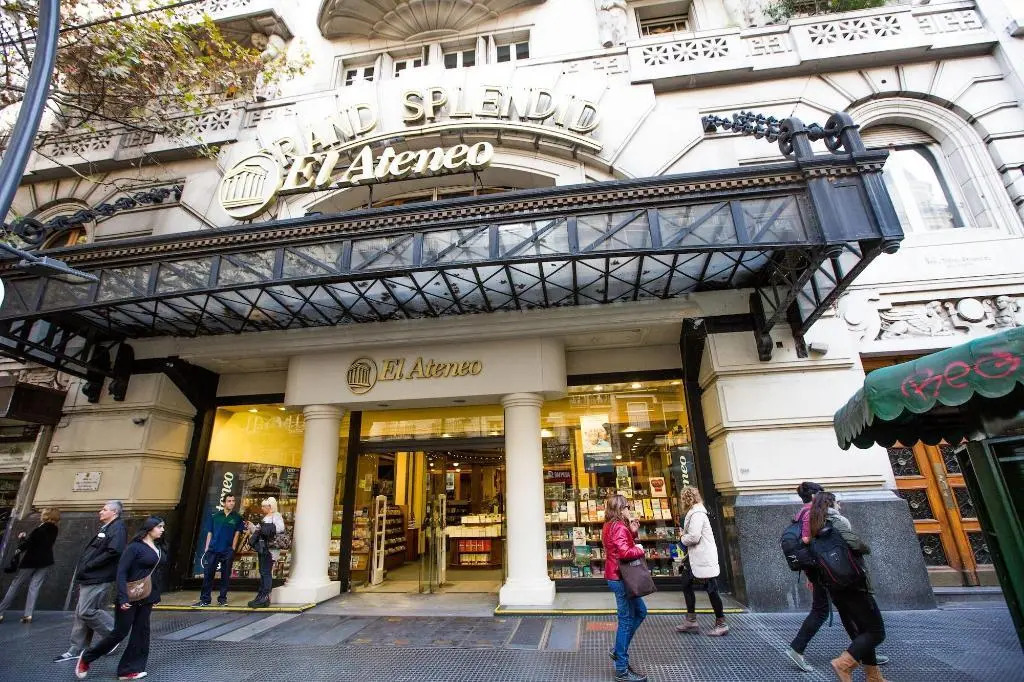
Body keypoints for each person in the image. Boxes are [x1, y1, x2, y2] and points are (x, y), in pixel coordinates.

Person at [807, 492, 888, 682]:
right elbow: (855, 544)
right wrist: (865, 547)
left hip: (835, 587)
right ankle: (843, 663)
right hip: (854, 584)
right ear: (830, 504)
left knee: (862, 631)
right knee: (876, 632)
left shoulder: (814, 526)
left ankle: (874, 677)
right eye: (837, 502)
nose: (840, 505)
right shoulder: (837, 521)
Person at [76, 516, 166, 680]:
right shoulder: (134, 547)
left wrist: (155, 596)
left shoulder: (159, 548)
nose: (162, 530)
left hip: (147, 596)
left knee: (141, 632)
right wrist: (123, 597)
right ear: (149, 528)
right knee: (120, 632)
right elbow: (122, 572)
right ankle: (87, 657)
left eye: (163, 527)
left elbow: (155, 574)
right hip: (129, 595)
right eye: (159, 526)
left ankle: (128, 670)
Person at [55, 501, 127, 664]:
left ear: (114, 512)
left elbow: (114, 551)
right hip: (91, 575)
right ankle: (77, 648)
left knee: (86, 611)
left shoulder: (117, 528)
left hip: (98, 576)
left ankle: (113, 635)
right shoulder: (108, 528)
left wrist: (90, 565)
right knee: (80, 613)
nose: (100, 511)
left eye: (104, 509)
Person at [602, 494, 648, 682]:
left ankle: (618, 650)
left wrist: (633, 532)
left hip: (616, 576)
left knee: (641, 612)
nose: (629, 509)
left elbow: (618, 545)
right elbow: (624, 552)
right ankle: (621, 668)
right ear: (621, 509)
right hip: (622, 578)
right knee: (626, 621)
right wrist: (640, 549)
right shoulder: (620, 527)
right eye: (627, 506)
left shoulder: (609, 525)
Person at [674, 486, 729, 636]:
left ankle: (721, 623)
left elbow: (694, 537)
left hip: (702, 557)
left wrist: (682, 539)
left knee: (711, 589)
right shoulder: (696, 512)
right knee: (686, 582)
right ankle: (691, 620)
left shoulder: (697, 514)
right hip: (695, 557)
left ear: (686, 499)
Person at [786, 481, 826, 672]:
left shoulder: (802, 512)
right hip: (822, 567)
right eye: (821, 494)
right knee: (821, 610)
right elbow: (806, 539)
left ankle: (865, 649)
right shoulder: (811, 512)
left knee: (845, 609)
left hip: (816, 567)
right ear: (813, 496)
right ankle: (797, 647)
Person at [0, 507, 60, 623]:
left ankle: (1, 611)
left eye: (43, 513)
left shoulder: (40, 529)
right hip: (46, 561)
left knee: (15, 585)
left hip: (31, 561)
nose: (41, 515)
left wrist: (22, 538)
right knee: (35, 586)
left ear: (46, 516)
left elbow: (28, 544)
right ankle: (28, 615)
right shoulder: (55, 529)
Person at [193, 493, 244, 607]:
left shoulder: (237, 517)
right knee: (208, 575)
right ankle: (205, 599)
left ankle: (222, 599)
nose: (232, 503)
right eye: (229, 501)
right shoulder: (215, 516)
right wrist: (207, 548)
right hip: (213, 549)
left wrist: (233, 548)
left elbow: (237, 534)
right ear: (224, 502)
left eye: (233, 501)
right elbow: (210, 533)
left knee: (225, 576)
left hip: (227, 550)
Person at [245, 496, 284, 608]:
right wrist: (252, 526)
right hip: (263, 548)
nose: (262, 508)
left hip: (270, 549)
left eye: (264, 506)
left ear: (270, 506)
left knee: (266, 572)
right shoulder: (266, 517)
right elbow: (257, 531)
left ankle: (265, 597)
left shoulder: (276, 516)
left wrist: (264, 528)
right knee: (263, 572)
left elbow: (280, 528)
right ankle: (261, 596)